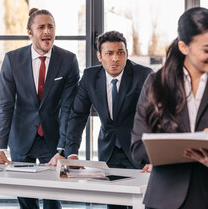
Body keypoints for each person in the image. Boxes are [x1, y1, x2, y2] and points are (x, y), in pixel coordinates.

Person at [131, 7, 208, 209]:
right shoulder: (156, 83)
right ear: (184, 47)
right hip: (164, 200)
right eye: (207, 49)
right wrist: (191, 143)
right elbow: (138, 148)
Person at [0, 8, 80, 209]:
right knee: (26, 199)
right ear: (30, 33)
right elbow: (6, 106)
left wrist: (62, 147)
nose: (47, 31)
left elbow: (68, 108)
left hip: (53, 139)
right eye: (41, 27)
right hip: (21, 138)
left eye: (50, 26)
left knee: (52, 198)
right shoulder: (12, 60)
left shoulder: (68, 60)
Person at [65, 30, 152, 209]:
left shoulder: (143, 75)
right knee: (114, 204)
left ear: (127, 54)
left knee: (144, 204)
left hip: (140, 152)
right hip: (109, 152)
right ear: (99, 56)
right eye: (109, 53)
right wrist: (72, 152)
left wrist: (155, 157)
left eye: (120, 52)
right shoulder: (90, 77)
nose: (115, 59)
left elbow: (156, 116)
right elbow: (78, 115)